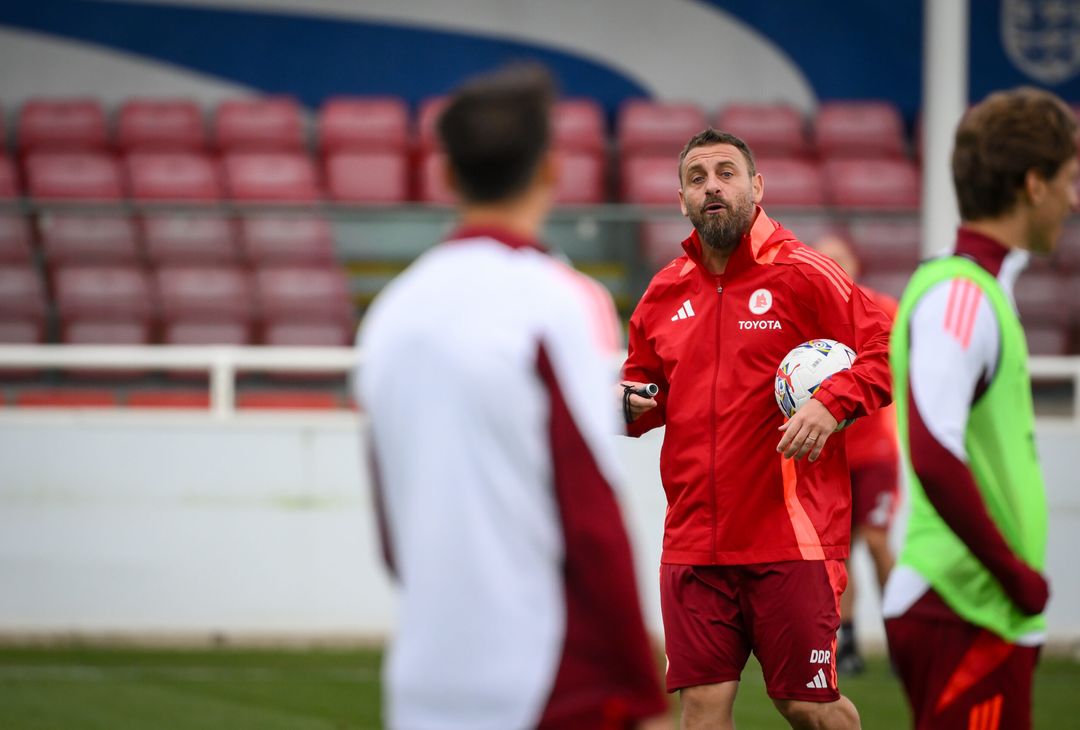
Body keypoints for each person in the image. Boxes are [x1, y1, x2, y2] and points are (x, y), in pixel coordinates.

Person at [356, 65, 669, 730]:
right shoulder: (557, 299)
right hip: (546, 681)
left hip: (424, 680)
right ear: (552, 170)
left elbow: (390, 532)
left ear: (444, 175)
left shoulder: (389, 314)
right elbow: (590, 512)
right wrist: (642, 692)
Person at [621, 127, 893, 730]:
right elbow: (643, 387)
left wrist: (831, 402)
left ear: (756, 186)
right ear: (682, 198)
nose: (712, 187)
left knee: (806, 706)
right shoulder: (663, 292)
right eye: (697, 177)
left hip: (789, 539)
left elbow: (889, 347)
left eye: (725, 173)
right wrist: (628, 407)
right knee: (702, 710)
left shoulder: (803, 272)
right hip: (694, 542)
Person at [883, 87, 1077, 730]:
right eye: (1070, 180)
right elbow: (936, 455)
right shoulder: (961, 295)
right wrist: (1014, 575)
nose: (1075, 201)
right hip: (960, 606)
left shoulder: (976, 288)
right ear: (1034, 185)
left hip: (976, 609)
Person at [814, 235, 900, 675]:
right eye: (823, 259)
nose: (832, 266)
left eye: (839, 257)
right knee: (839, 553)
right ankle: (846, 645)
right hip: (833, 453)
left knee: (880, 543)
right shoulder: (809, 315)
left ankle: (903, 636)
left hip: (877, 452)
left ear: (855, 262)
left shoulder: (882, 308)